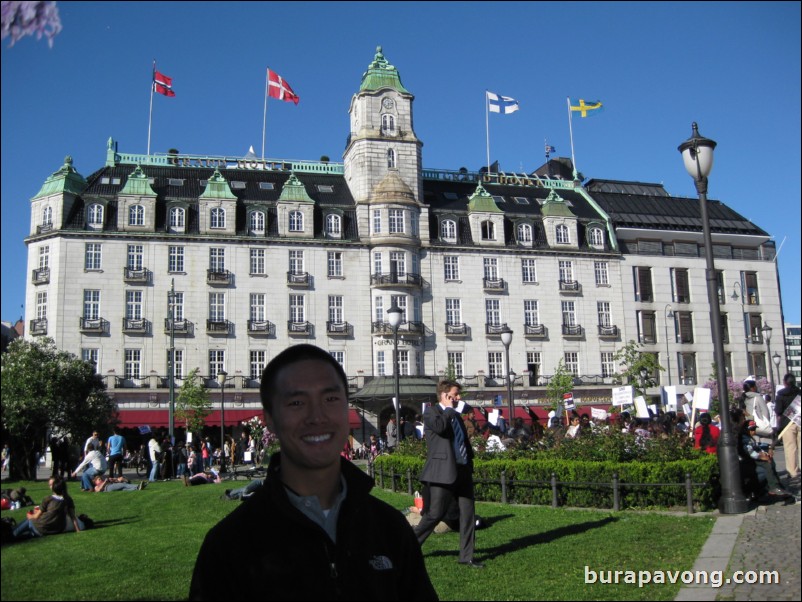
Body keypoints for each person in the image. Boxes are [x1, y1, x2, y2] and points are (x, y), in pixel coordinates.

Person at [190, 344, 437, 600]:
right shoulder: (229, 546)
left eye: (330, 399)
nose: (317, 416)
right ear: (270, 419)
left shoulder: (390, 529)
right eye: (297, 402)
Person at [414, 379, 483, 569]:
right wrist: (449, 411)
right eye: (456, 394)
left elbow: (463, 440)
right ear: (445, 395)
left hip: (462, 471)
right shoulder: (431, 412)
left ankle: (467, 556)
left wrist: (469, 460)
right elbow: (440, 428)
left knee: (468, 515)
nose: (459, 398)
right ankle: (409, 546)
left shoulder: (456, 415)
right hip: (442, 473)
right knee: (434, 514)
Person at [12, 477, 81, 540]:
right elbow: (73, 516)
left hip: (42, 527)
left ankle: (12, 534)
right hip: (56, 529)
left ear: (54, 487)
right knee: (28, 532)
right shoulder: (68, 500)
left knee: (29, 521)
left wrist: (30, 516)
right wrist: (77, 529)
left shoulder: (48, 499)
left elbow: (36, 516)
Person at [774, 373, 801, 482]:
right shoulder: (800, 392)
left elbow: (778, 411)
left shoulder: (781, 394)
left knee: (790, 448)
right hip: (800, 420)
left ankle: (793, 472)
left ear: (785, 383)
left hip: (787, 424)